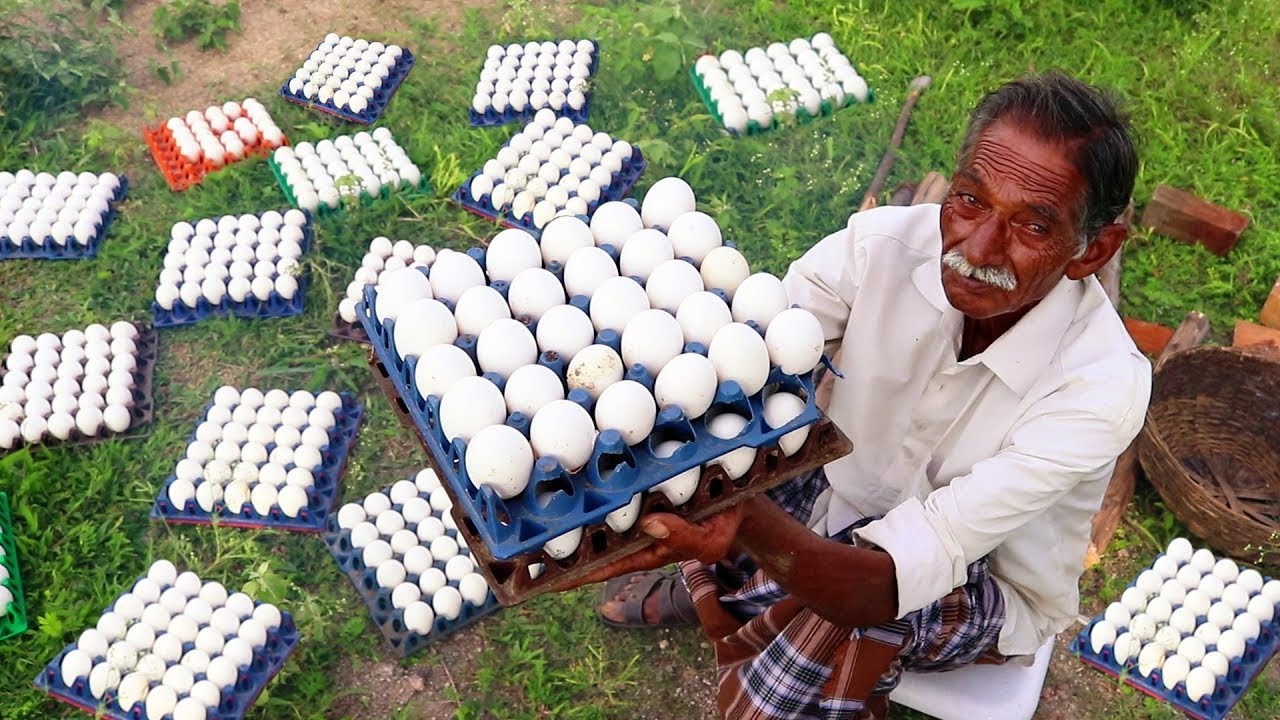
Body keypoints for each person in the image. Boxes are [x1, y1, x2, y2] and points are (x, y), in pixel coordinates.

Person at [572, 71, 1153, 719]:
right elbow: (746, 354)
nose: (976, 246)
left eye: (1034, 227)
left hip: (980, 579)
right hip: (839, 489)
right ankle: (739, 583)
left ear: (1092, 250)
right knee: (720, 458)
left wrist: (744, 522)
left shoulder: (1100, 387)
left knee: (827, 627)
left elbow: (889, 582)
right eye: (969, 199)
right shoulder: (880, 250)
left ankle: (739, 585)